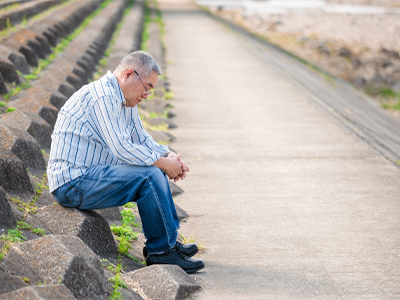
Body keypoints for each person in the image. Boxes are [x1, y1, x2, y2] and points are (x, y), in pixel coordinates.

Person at [47, 51, 204, 274]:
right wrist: (162, 163)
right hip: (72, 182)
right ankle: (161, 252)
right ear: (129, 74)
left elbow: (140, 139)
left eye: (151, 89)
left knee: (154, 169)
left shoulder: (125, 101)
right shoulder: (103, 97)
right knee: (150, 175)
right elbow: (122, 148)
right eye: (147, 86)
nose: (147, 94)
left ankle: (167, 244)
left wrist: (168, 156)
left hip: (91, 175)